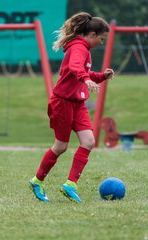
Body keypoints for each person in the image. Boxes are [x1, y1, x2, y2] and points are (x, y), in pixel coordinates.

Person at [29, 12, 114, 203]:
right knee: (61, 146)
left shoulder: (84, 49)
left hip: (77, 103)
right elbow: (76, 68)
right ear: (92, 35)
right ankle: (37, 181)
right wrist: (85, 79)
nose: (102, 42)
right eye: (102, 38)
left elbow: (84, 71)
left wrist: (101, 76)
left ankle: (70, 185)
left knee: (89, 141)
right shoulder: (78, 48)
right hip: (62, 103)